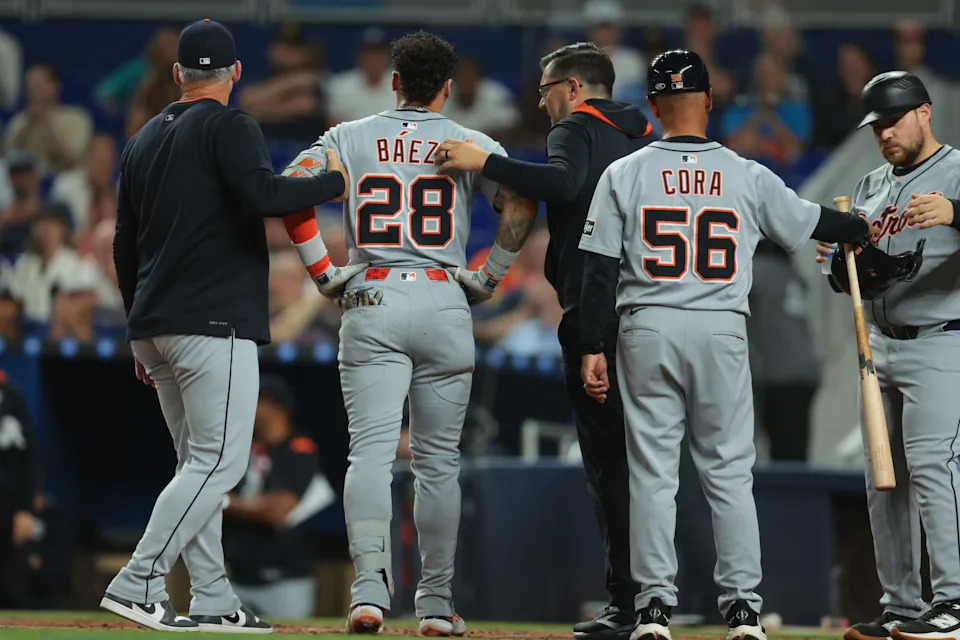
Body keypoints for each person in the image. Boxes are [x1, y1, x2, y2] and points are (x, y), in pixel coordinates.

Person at [577, 49, 868, 640]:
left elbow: (599, 272)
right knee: (730, 473)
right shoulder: (744, 172)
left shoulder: (626, 172)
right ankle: (742, 610)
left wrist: (591, 345)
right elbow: (813, 222)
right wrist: (860, 225)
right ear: (710, 102)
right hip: (719, 326)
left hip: (648, 325)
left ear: (653, 106)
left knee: (655, 472)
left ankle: (654, 609)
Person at [100, 19, 360, 634]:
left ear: (177, 75)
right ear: (236, 73)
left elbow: (122, 245)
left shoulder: (140, 141)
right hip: (210, 319)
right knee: (218, 464)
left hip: (156, 321)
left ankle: (213, 597)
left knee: (198, 464)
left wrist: (141, 323)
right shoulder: (231, 123)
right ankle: (138, 579)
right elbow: (265, 196)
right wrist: (335, 181)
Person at [279, 29, 537, 636]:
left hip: (371, 291)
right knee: (437, 464)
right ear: (447, 88)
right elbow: (523, 201)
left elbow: (288, 193)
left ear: (393, 81)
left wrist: (323, 272)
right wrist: (491, 276)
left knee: (368, 455)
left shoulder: (348, 134)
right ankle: (435, 603)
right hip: (444, 294)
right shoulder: (470, 140)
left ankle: (368, 592)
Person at [436, 41, 656, 639]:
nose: (541, 100)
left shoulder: (577, 128)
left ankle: (630, 605)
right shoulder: (645, 134)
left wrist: (484, 161)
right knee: (655, 465)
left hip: (597, 312)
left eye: (546, 88)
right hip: (653, 311)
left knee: (609, 465)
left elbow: (561, 183)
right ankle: (661, 601)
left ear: (575, 88)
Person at [813, 71, 960, 640]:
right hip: (880, 346)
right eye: (876, 126)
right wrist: (840, 260)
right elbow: (844, 271)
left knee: (934, 468)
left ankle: (953, 602)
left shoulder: (954, 171)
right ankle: (901, 605)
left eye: (893, 120)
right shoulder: (871, 184)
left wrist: (956, 212)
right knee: (883, 480)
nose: (884, 134)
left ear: (924, 112)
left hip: (941, 339)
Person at [223, 374, 334, 619]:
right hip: (237, 577)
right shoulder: (241, 448)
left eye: (255, 402)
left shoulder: (300, 449)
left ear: (274, 406)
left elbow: (278, 511)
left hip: (287, 581)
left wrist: (230, 503)